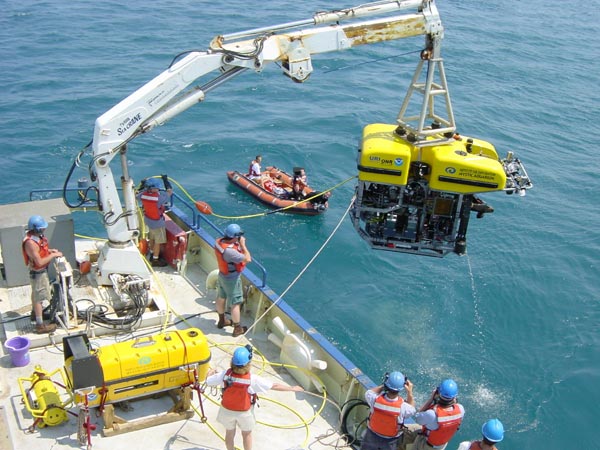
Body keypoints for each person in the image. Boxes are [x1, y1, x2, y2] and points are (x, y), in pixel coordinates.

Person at [205, 345, 303, 450]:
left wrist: (210, 373)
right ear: (248, 364)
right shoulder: (253, 379)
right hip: (244, 413)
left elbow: (208, 381)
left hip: (226, 410)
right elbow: (274, 386)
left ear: (232, 362)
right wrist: (292, 388)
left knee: (229, 434)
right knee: (246, 434)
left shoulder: (224, 374)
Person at [22, 215, 62, 334]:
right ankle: (40, 325)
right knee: (39, 298)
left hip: (40, 272)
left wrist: (49, 251)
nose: (44, 230)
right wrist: (53, 255)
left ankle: (35, 314)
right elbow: (39, 262)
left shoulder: (37, 237)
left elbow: (40, 252)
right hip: (38, 273)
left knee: (36, 294)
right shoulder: (31, 243)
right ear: (37, 229)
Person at [399, 379, 465, 450]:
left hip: (426, 444)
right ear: (454, 397)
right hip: (441, 445)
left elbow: (417, 417)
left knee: (402, 432)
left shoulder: (432, 414)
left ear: (438, 393)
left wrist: (430, 400)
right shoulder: (461, 410)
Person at [360, 371, 415, 450]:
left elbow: (368, 393)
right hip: (390, 441)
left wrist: (383, 386)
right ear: (401, 388)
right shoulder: (403, 407)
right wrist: (409, 392)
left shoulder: (374, 400)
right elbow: (412, 408)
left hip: (371, 435)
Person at [214, 224, 252, 337]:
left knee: (221, 297)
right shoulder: (230, 252)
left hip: (222, 275)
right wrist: (243, 245)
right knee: (236, 303)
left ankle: (222, 320)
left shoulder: (219, 242)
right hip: (232, 279)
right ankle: (237, 328)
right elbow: (248, 258)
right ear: (235, 237)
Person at [138, 176, 173, 267]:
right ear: (152, 188)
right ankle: (155, 259)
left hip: (148, 220)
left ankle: (152, 252)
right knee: (158, 241)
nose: (157, 189)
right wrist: (166, 181)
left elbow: (137, 193)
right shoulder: (159, 198)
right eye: (156, 188)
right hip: (158, 222)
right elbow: (169, 191)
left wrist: (142, 185)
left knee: (152, 237)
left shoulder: (143, 195)